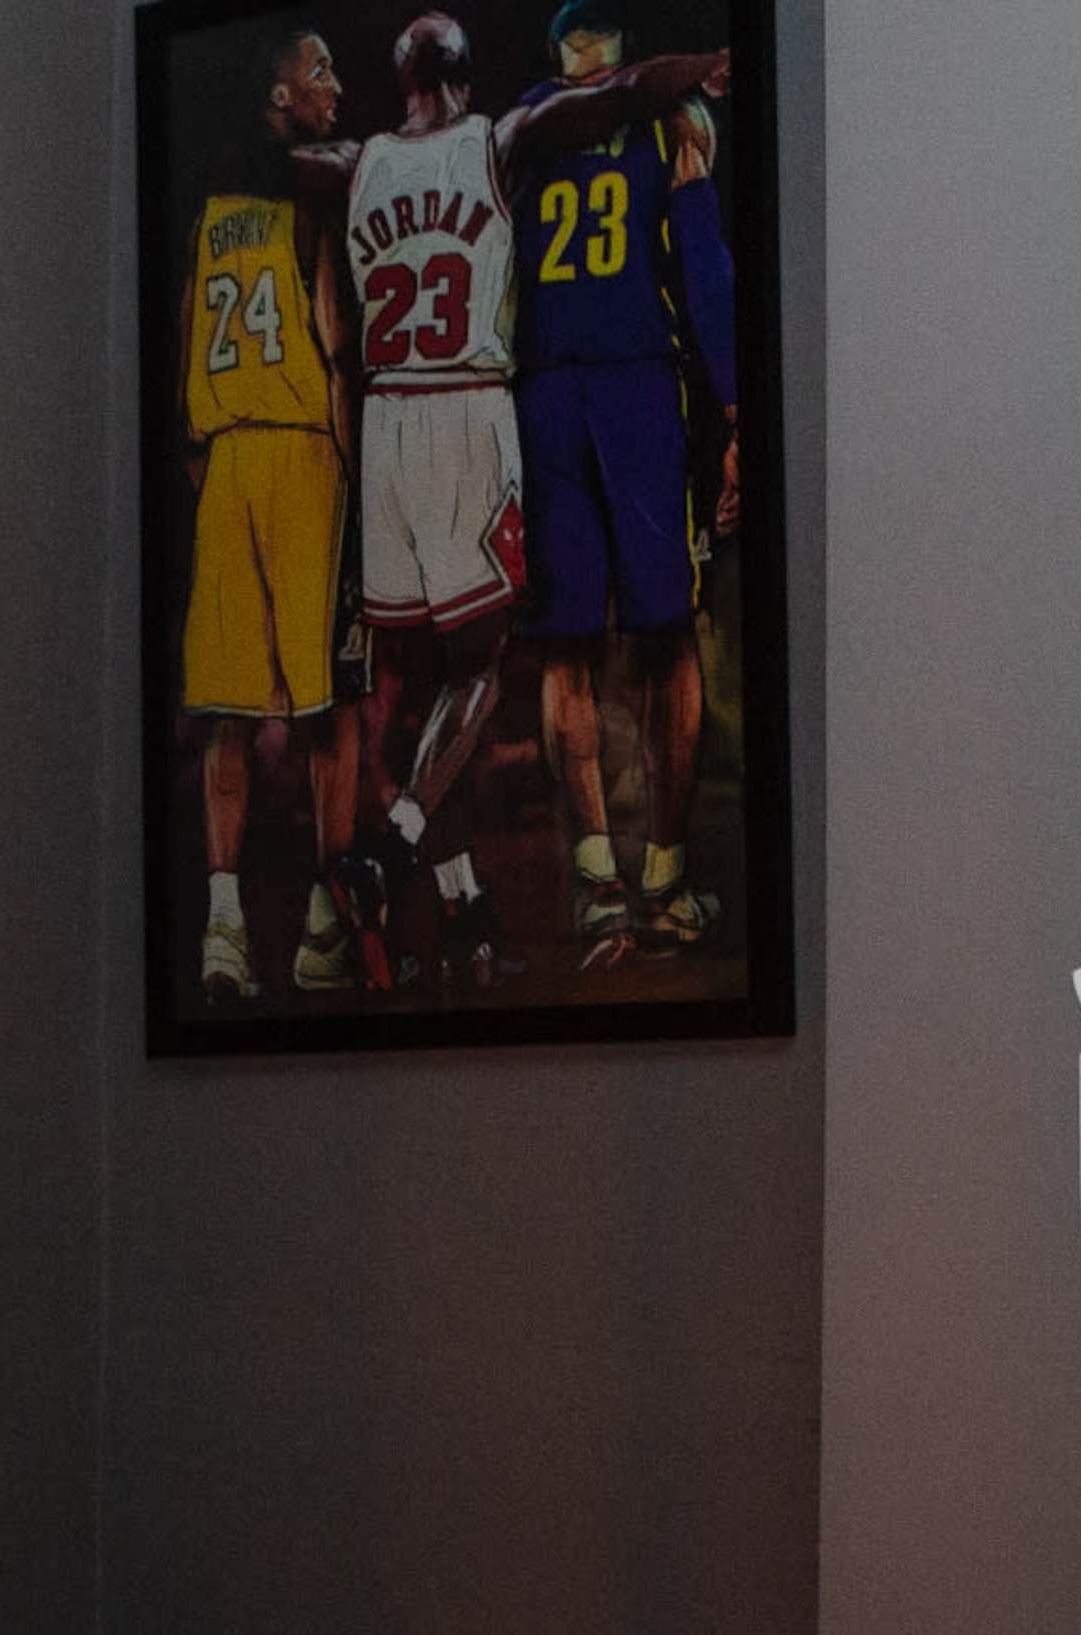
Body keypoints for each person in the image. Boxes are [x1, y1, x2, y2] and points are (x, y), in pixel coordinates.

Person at [288, 13, 730, 989]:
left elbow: (326, 305)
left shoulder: (364, 161)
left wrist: (280, 125)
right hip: (507, 402)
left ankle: (515, 891)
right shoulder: (513, 136)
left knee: (426, 680)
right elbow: (641, 142)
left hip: (422, 414)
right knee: (531, 659)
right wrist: (698, 69)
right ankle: (621, 875)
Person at [510, 3, 742, 962]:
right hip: (636, 388)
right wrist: (732, 413)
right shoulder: (665, 114)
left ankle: (604, 880)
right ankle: (659, 880)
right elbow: (705, 263)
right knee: (664, 637)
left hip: (549, 392)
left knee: (573, 645)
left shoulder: (523, 122)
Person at [180, 31, 373, 999]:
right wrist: (351, 470)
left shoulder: (208, 212)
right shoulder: (308, 208)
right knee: (327, 711)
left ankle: (222, 928)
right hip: (301, 455)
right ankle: (322, 925)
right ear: (279, 92)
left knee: (225, 712)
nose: (336, 87)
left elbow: (185, 337)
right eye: (321, 71)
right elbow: (336, 346)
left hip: (222, 457)